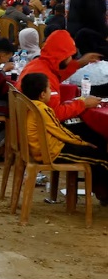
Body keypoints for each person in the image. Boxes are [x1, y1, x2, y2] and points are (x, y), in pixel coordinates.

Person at [22, 72, 108, 204]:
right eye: (50, 88)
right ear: (43, 94)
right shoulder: (43, 110)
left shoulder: (29, 104)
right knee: (102, 158)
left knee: (97, 150)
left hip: (45, 148)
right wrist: (83, 143)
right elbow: (60, 131)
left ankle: (101, 192)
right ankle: (103, 193)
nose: (52, 92)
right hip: (52, 152)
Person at [17, 29, 102, 122]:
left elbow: (57, 74)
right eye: (70, 55)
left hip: (26, 121)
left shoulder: (37, 64)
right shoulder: (46, 78)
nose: (71, 58)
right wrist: (83, 104)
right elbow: (55, 114)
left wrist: (79, 63)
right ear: (62, 56)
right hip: (40, 129)